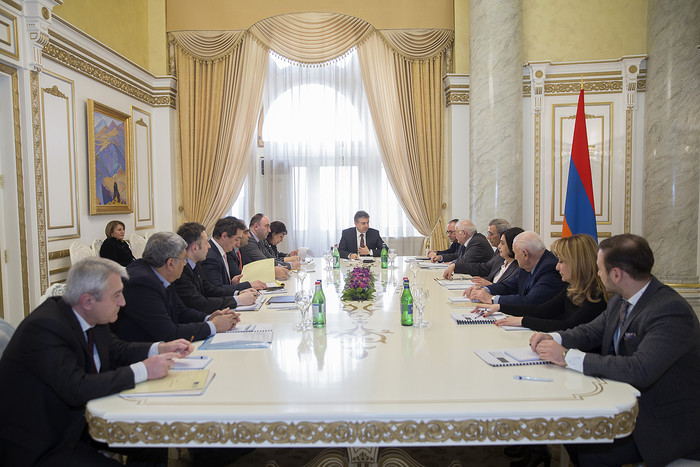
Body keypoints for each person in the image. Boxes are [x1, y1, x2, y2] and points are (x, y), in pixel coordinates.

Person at [0, 257, 193, 466]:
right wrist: (144, 370)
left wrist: (160, 347)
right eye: (117, 295)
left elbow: (117, 349)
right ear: (88, 301)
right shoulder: (44, 328)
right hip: (44, 440)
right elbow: (76, 387)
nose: (123, 302)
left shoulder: (91, 315)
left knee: (153, 437)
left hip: (83, 421)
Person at [530, 234, 700, 467]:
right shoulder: (620, 300)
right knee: (569, 431)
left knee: (589, 449)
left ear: (617, 274)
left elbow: (639, 369)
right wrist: (553, 337)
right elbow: (590, 331)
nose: (597, 273)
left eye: (600, 269)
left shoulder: (669, 310)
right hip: (629, 399)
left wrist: (568, 356)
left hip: (665, 421)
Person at [112, 231, 240, 342]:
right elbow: (168, 332)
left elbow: (181, 311)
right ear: (170, 263)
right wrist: (213, 326)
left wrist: (209, 318)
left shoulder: (160, 273)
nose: (185, 264)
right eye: (184, 259)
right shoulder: (141, 283)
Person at [477, 234, 608, 332]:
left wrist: (523, 321)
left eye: (562, 261)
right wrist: (499, 307)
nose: (557, 267)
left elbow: (568, 326)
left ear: (577, 264)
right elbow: (542, 310)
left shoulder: (596, 296)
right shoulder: (572, 288)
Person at [173, 222, 257, 314]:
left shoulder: (196, 264)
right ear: (195, 248)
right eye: (206, 243)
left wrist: (237, 293)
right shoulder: (181, 272)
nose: (209, 246)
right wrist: (237, 300)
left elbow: (210, 290)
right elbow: (200, 304)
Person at [465, 230, 565, 305]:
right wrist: (484, 290)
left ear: (525, 254)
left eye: (516, 253)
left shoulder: (549, 268)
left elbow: (530, 301)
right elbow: (509, 286)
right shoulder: (530, 264)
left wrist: (491, 299)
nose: (515, 258)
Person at [202, 217, 267, 291]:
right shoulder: (211, 257)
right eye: (236, 239)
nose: (238, 244)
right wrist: (249, 285)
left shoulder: (220, 251)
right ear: (224, 236)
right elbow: (216, 290)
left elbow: (221, 285)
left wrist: (232, 283)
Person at [442, 218, 510, 279]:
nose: (488, 237)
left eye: (490, 234)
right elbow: (485, 267)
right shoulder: (498, 250)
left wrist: (489, 285)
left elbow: (467, 262)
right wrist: (454, 265)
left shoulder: (477, 242)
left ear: (501, 236)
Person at [239, 213, 296, 278]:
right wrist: (290, 266)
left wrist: (287, 265)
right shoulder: (249, 241)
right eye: (267, 226)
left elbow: (271, 259)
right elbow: (266, 262)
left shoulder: (259, 240)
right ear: (256, 227)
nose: (269, 230)